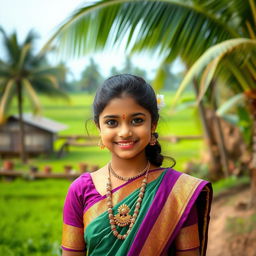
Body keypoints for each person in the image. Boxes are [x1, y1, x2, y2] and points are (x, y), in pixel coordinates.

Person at [61, 74, 212, 256]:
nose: (125, 132)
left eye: (137, 120)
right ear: (99, 127)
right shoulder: (80, 191)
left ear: (153, 124)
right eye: (112, 122)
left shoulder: (178, 192)